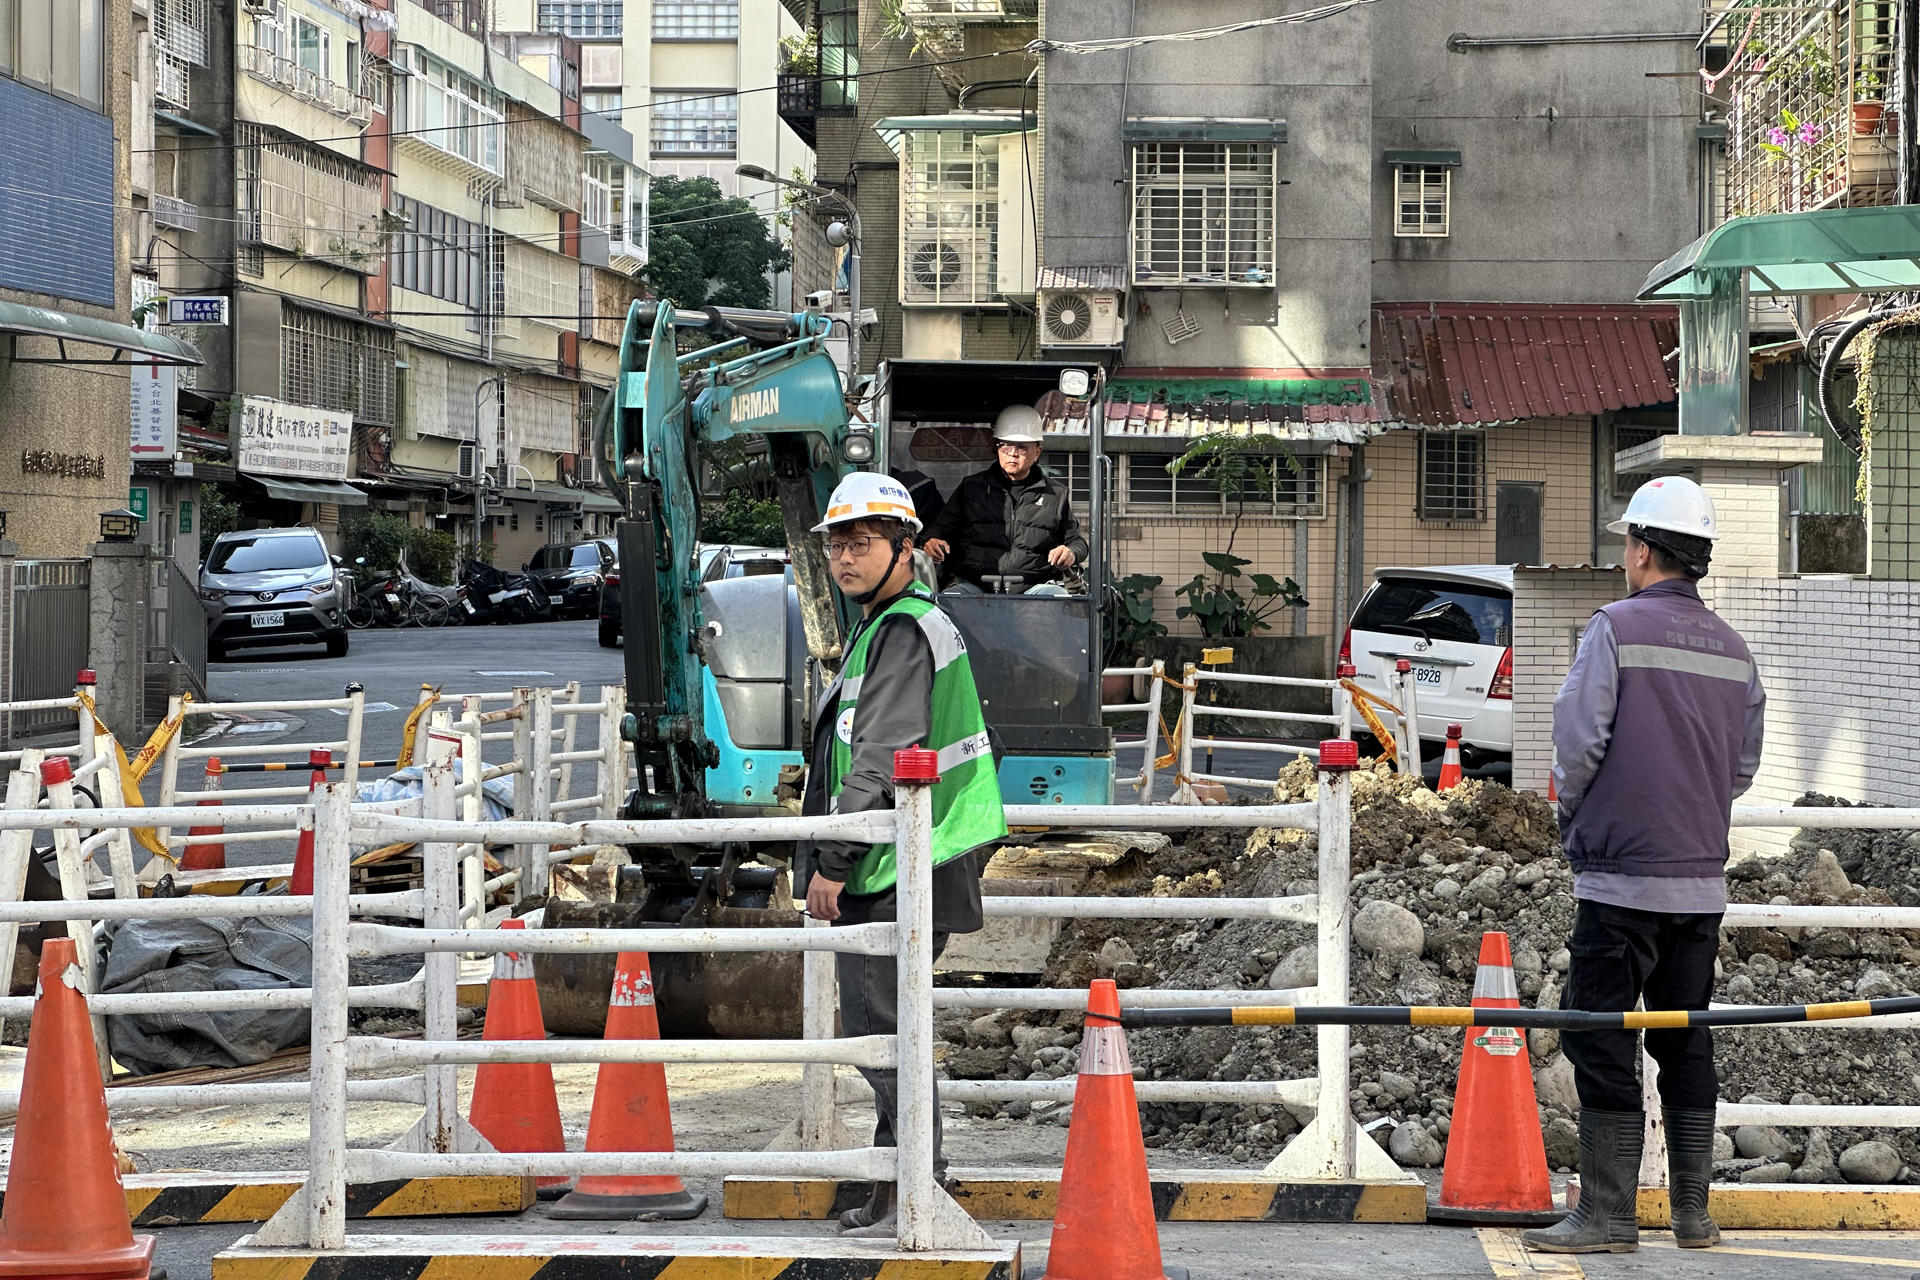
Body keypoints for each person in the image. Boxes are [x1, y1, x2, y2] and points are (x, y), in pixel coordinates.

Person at [1522, 475, 1765, 1257]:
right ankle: (1694, 1215)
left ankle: (1607, 1215)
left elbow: (1577, 745)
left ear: (1641, 550)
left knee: (1597, 1036)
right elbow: (1742, 766)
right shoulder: (1733, 648)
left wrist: (1579, 820)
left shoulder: (1615, 628)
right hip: (1699, 884)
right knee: (1686, 1038)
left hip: (1619, 877)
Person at [796, 471, 1008, 1238]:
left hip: (898, 864)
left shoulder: (902, 630)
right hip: (911, 857)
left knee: (883, 1033)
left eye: (861, 543)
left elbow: (881, 756)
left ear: (905, 549)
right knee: (889, 1030)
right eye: (838, 545)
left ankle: (919, 1184)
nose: (844, 559)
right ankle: (906, 1182)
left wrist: (831, 859)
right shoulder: (890, 626)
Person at [922, 404, 1087, 594]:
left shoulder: (1056, 495)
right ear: (997, 448)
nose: (1012, 453)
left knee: (1055, 597)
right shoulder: (971, 488)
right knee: (952, 599)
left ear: (1037, 452)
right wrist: (933, 540)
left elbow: (1077, 542)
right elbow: (941, 528)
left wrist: (1070, 553)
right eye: (1005, 445)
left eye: (1022, 448)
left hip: (1034, 587)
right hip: (975, 585)